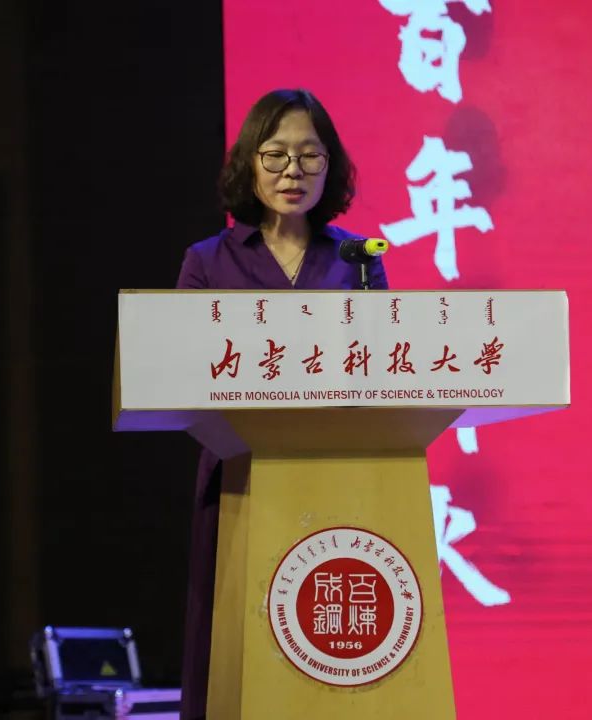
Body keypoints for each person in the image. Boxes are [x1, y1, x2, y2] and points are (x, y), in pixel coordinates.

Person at [175, 88, 387, 720]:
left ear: (330, 166)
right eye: (275, 154)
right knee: (236, 640)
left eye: (309, 155)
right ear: (250, 162)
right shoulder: (207, 261)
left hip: (339, 475)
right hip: (239, 474)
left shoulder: (357, 260)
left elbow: (383, 365)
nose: (293, 171)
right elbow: (180, 371)